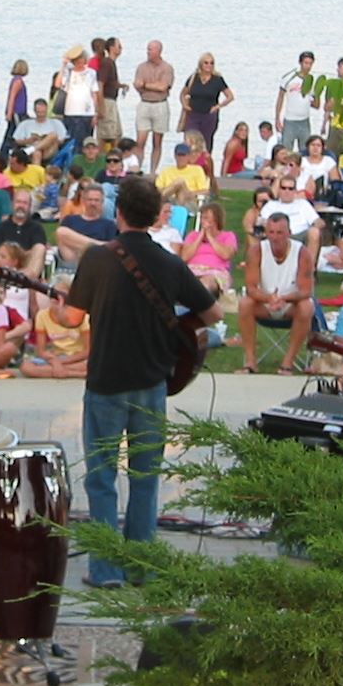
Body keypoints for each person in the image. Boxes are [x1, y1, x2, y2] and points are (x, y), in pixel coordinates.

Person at [48, 176, 222, 588]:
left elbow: (71, 319)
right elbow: (212, 315)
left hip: (107, 380)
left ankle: (106, 570)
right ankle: (141, 565)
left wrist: (57, 311)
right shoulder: (169, 262)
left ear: (118, 212)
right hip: (152, 382)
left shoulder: (98, 260)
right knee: (146, 478)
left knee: (102, 477)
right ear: (153, 215)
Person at [236, 212, 316, 374]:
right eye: (271, 232)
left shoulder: (302, 253)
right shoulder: (256, 251)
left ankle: (288, 361)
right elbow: (251, 287)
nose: (275, 237)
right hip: (264, 304)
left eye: (280, 233)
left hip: (290, 305)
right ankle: (251, 361)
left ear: (289, 232)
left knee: (306, 307)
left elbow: (306, 290)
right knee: (245, 303)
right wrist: (269, 298)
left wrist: (283, 298)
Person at [0, 188, 49, 277]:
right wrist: (9, 257)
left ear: (30, 206)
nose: (21, 206)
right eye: (18, 202)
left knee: (40, 248)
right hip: (3, 263)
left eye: (25, 203)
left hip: (26, 265)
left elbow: (36, 252)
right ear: (12, 204)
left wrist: (17, 254)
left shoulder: (37, 228)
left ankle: (28, 281)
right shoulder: (1, 227)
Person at [132, 40, 176, 172]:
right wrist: (150, 86)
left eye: (151, 49)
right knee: (140, 140)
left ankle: (153, 170)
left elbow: (163, 87)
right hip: (144, 103)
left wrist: (146, 85)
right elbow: (137, 84)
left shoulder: (167, 68)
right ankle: (137, 168)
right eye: (148, 49)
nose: (148, 52)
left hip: (160, 105)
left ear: (159, 51)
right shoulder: (141, 67)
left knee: (157, 141)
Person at [180, 203, 238, 298]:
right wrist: (200, 237)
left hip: (215, 272)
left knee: (205, 283)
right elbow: (184, 257)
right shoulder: (193, 236)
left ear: (216, 220)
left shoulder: (228, 236)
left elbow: (226, 255)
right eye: (203, 218)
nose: (204, 221)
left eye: (207, 218)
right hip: (192, 270)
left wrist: (210, 237)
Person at [179, 54, 232, 153]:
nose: (209, 65)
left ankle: (204, 166)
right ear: (201, 64)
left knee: (205, 143)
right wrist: (185, 105)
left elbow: (230, 96)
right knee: (189, 141)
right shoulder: (193, 78)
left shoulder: (217, 79)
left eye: (211, 63)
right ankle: (189, 164)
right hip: (193, 114)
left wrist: (218, 106)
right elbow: (183, 93)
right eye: (206, 63)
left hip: (209, 115)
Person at [55, 182, 117, 267]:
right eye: (90, 200)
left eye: (96, 200)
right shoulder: (70, 220)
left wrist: (78, 246)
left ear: (102, 202)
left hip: (97, 264)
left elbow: (111, 252)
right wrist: (98, 246)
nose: (93, 203)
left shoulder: (109, 225)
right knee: (61, 231)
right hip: (72, 262)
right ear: (83, 201)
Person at [57, 44, 100, 147]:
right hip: (71, 112)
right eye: (77, 60)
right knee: (72, 142)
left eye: (81, 59)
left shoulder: (91, 73)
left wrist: (95, 113)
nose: (79, 62)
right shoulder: (69, 72)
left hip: (87, 113)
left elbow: (94, 93)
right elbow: (58, 84)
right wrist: (63, 65)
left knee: (86, 141)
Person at [275, 51, 317, 154]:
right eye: (305, 63)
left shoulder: (312, 81)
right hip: (290, 120)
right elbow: (280, 98)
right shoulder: (289, 78)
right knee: (286, 151)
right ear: (300, 63)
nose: (308, 66)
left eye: (310, 63)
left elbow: (316, 104)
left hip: (304, 121)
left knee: (305, 151)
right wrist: (277, 118)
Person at [156, 141, 210, 207]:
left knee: (180, 182)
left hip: (190, 200)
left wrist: (190, 194)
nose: (181, 158)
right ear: (175, 156)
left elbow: (205, 191)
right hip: (169, 200)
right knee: (178, 186)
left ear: (188, 156)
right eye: (179, 155)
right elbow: (158, 188)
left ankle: (157, 200)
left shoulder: (197, 170)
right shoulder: (166, 171)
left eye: (183, 155)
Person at [96, 36, 125, 144]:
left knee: (116, 134)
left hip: (112, 101)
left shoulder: (111, 63)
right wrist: (101, 107)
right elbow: (100, 84)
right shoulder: (107, 63)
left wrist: (120, 86)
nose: (121, 49)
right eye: (119, 46)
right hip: (107, 102)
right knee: (107, 135)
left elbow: (109, 82)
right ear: (112, 48)